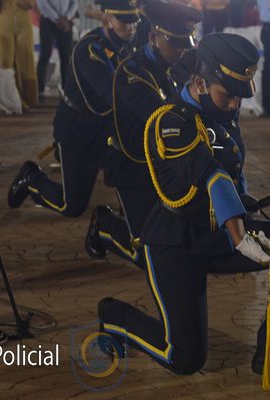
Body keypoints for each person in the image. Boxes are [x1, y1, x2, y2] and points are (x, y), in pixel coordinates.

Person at [98, 33, 270, 380]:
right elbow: (213, 176)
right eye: (227, 95)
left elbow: (233, 168)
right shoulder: (170, 121)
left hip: (220, 231)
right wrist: (242, 238)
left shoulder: (219, 108)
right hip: (177, 242)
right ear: (200, 82)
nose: (233, 104)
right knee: (184, 359)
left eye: (238, 96)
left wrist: (243, 203)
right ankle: (114, 318)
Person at [85, 0, 201, 267]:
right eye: (175, 44)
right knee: (146, 254)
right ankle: (104, 226)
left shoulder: (169, 65)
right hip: (132, 166)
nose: (181, 51)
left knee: (167, 241)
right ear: (152, 37)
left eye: (185, 45)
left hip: (159, 164)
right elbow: (162, 116)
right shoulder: (132, 71)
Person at [7, 0, 138, 215]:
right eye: (124, 21)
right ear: (106, 19)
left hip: (105, 129)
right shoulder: (90, 49)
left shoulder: (124, 45)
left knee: (133, 166)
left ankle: (122, 220)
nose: (130, 28)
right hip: (79, 131)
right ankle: (32, 179)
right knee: (72, 206)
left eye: (133, 22)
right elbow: (112, 94)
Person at [0, 0, 39, 108]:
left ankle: (28, 99)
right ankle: (11, 99)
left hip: (24, 26)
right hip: (3, 26)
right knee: (5, 63)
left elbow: (30, 5)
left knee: (26, 61)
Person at [36, 0, 78, 95]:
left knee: (66, 57)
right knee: (45, 54)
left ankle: (66, 90)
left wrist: (67, 17)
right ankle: (40, 90)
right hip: (48, 20)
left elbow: (74, 3)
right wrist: (57, 18)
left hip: (66, 21)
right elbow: (42, 3)